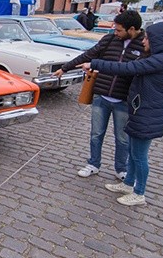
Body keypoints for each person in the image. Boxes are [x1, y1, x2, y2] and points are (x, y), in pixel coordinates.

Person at [78, 20, 163, 206]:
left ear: (159, 41)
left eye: (148, 38)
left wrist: (95, 63)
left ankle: (139, 193)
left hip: (147, 114)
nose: (144, 41)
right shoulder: (156, 57)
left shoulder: (162, 60)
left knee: (140, 156)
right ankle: (128, 183)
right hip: (139, 111)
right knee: (133, 153)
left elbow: (126, 68)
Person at [53, 9, 146, 181]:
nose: (115, 33)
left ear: (132, 29)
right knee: (96, 134)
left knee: (123, 139)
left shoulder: (144, 45)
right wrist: (64, 68)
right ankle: (93, 164)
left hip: (124, 100)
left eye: (119, 30)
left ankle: (121, 169)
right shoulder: (109, 39)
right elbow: (89, 54)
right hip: (101, 96)